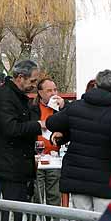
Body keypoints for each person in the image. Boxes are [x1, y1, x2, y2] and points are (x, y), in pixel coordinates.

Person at [46, 69, 111, 221]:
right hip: (105, 179)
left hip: (77, 176)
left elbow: (52, 124)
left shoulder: (76, 107)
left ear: (96, 85)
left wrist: (66, 129)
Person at [0, 59, 46, 204]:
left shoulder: (15, 96)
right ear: (20, 78)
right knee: (14, 208)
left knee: (17, 208)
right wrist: (39, 125)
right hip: (10, 163)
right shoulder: (6, 97)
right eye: (32, 81)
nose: (34, 86)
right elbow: (11, 128)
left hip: (15, 161)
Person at [33, 76, 65, 205]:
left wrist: (63, 107)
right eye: (49, 91)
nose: (53, 94)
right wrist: (40, 123)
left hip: (54, 158)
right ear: (40, 93)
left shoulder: (61, 109)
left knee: (54, 195)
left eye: (55, 90)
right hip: (37, 158)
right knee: (36, 196)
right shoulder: (32, 108)